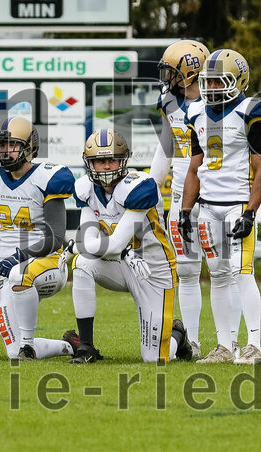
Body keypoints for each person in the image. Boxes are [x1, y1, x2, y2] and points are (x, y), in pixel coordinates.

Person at [180, 49, 261, 364]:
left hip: (237, 204)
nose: (212, 89)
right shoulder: (195, 112)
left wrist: (250, 212)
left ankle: (254, 345)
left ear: (238, 81)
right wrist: (185, 210)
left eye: (219, 82)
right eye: (207, 83)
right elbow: (195, 167)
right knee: (218, 275)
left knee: (242, 271)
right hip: (208, 207)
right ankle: (224, 346)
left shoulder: (253, 110)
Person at [151, 39, 243, 359]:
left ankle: (229, 342)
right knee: (187, 270)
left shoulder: (217, 99)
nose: (168, 77)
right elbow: (167, 148)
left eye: (173, 70)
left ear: (189, 70)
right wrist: (151, 186)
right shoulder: (169, 102)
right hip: (180, 194)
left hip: (219, 193)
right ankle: (191, 342)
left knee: (224, 269)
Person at [70, 128, 192, 363]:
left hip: (154, 270)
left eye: (112, 160)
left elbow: (114, 244)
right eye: (100, 161)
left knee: (155, 359)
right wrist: (85, 247)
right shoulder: (86, 189)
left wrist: (80, 246)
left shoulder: (140, 186)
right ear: (90, 164)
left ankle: (178, 334)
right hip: (122, 266)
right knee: (82, 264)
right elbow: (89, 238)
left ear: (123, 160)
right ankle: (86, 347)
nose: (106, 166)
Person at [0, 117, 76, 361]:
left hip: (48, 263)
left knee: (19, 274)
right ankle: (70, 346)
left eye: (12, 145)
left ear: (29, 148)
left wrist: (20, 257)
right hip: (7, 272)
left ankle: (29, 347)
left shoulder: (47, 178)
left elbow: (55, 237)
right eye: (0, 145)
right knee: (12, 351)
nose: (4, 151)